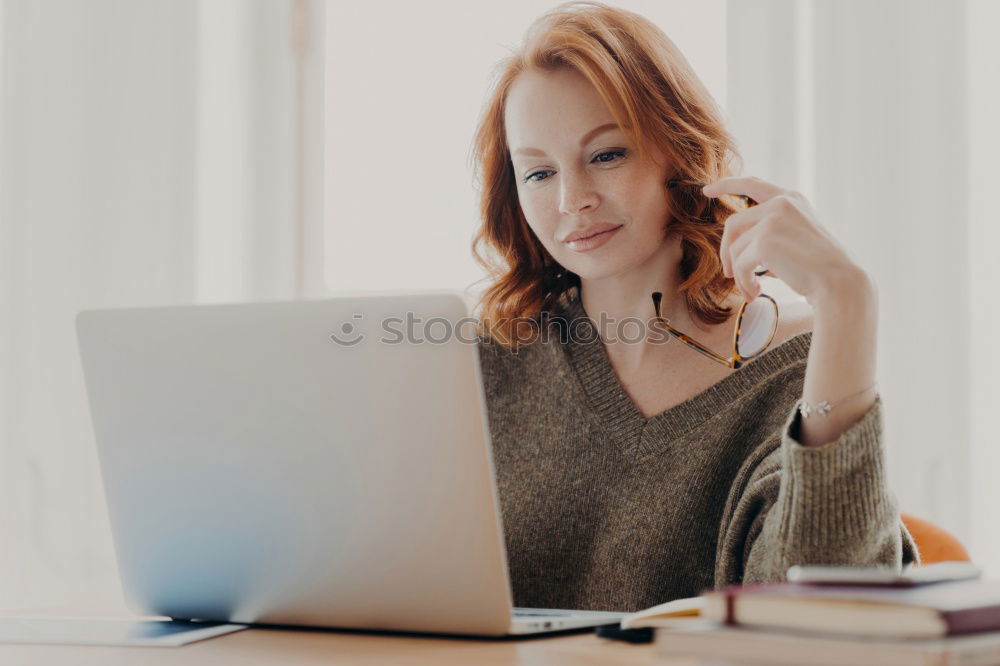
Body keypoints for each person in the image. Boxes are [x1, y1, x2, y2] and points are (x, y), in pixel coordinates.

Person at [469, 1, 917, 613]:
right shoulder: (486, 362)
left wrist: (847, 304)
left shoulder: (799, 366)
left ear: (678, 150)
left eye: (606, 155)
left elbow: (820, 621)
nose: (572, 200)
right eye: (538, 174)